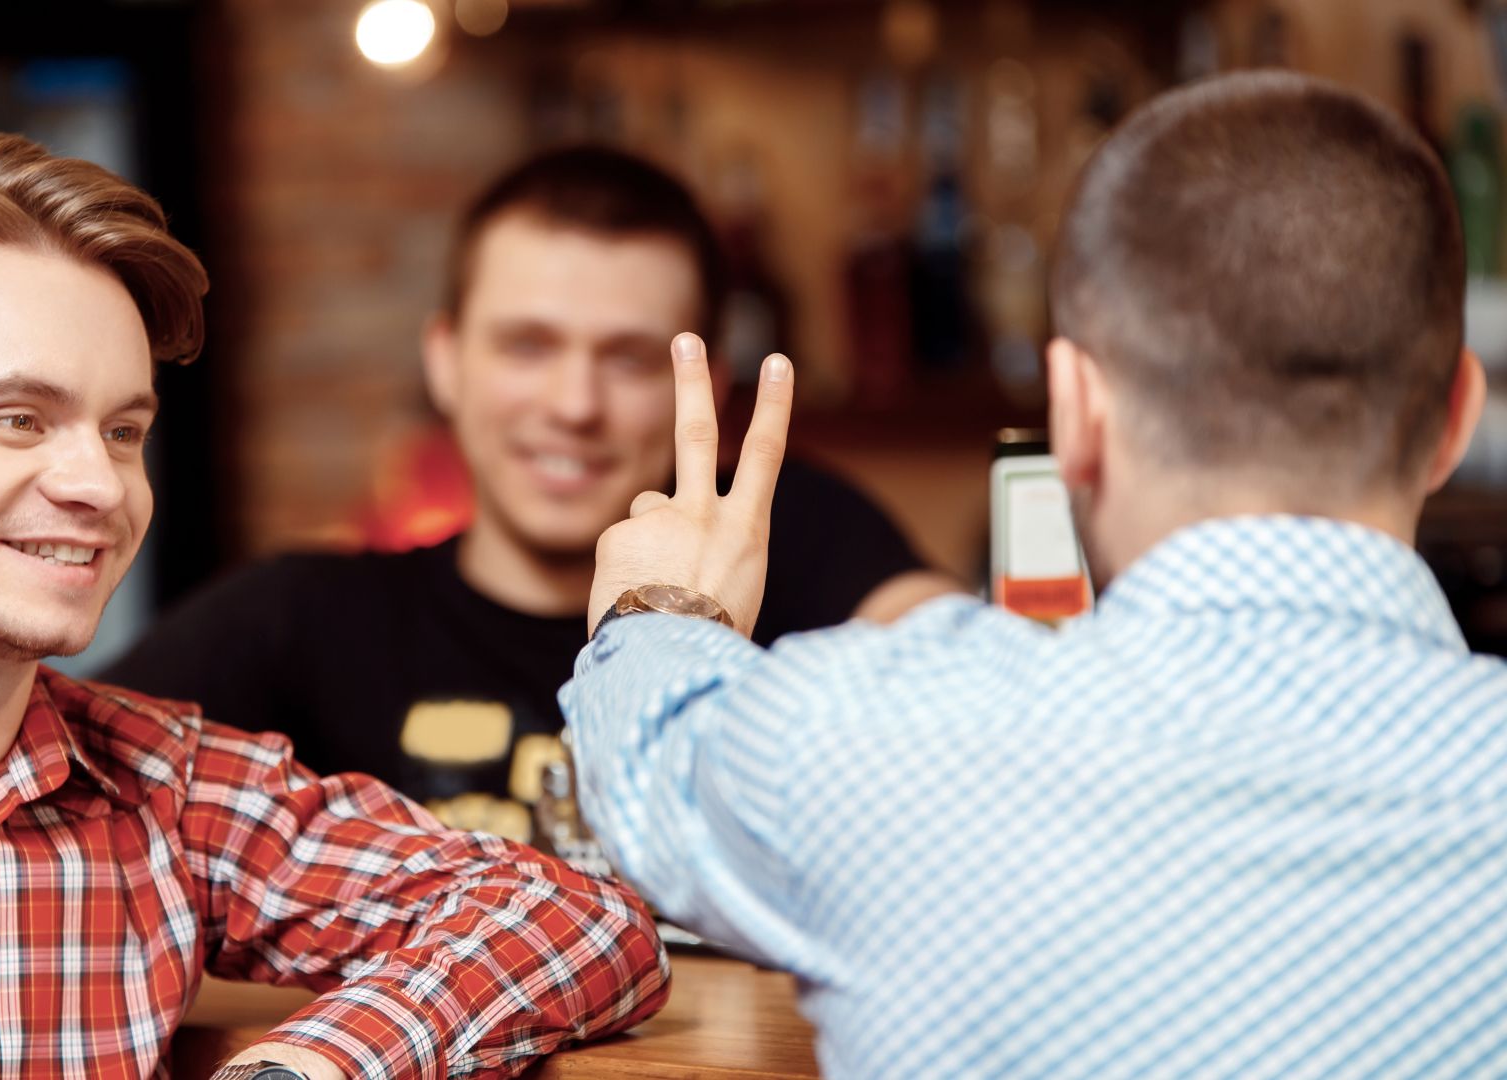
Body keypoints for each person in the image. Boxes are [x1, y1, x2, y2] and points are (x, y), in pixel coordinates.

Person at [0, 134, 666, 1080]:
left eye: (121, 431)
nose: (101, 488)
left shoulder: (172, 797)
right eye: (18, 419)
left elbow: (578, 920)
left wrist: (310, 1067)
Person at [561, 72, 1506, 1078]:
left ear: (1075, 413)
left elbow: (649, 759)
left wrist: (659, 610)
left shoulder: (869, 743)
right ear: (1456, 415)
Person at [105, 147, 957, 840]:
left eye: (628, 359)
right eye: (527, 346)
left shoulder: (792, 534)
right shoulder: (311, 615)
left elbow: (987, 714)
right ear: (446, 361)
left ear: (710, 388)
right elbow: (47, 757)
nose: (573, 406)